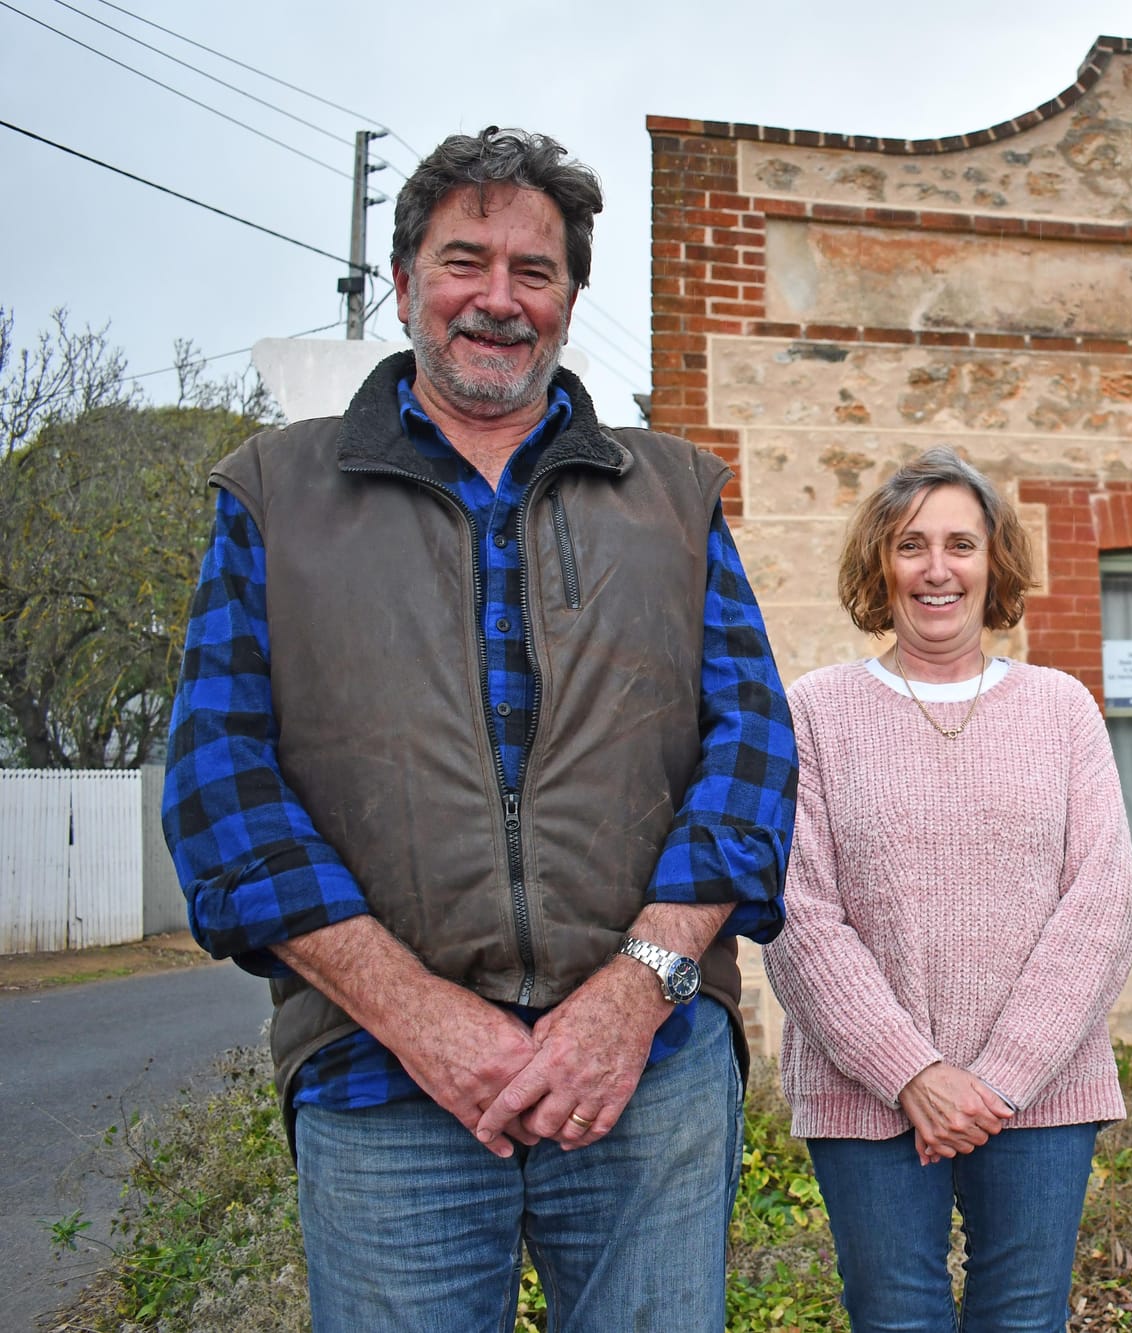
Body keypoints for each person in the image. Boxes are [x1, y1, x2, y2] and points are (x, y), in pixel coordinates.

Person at [160, 127, 796, 1332]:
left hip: (644, 1077)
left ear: (567, 301)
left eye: (534, 271)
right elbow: (218, 785)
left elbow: (751, 754)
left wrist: (634, 991)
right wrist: (416, 1014)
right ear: (404, 284)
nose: (498, 299)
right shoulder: (272, 494)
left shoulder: (673, 493)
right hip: (382, 1082)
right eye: (465, 262)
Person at [762, 446, 1132, 1333]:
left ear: (994, 563)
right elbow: (797, 913)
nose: (938, 569)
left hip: (1044, 1093)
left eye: (962, 545)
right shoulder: (813, 711)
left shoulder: (1061, 707)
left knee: (1023, 1317)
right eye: (911, 544)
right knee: (896, 1319)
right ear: (878, 565)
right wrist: (915, 1075)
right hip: (867, 1095)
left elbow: (1102, 905)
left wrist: (997, 1083)